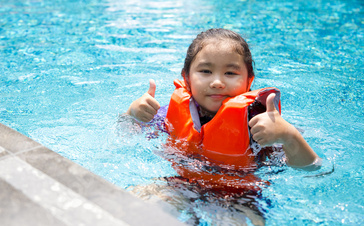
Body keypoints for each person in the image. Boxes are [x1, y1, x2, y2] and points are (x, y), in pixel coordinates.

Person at [125, 28, 322, 225]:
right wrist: (132, 114)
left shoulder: (262, 124)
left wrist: (289, 135)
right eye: (205, 71)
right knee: (140, 206)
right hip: (182, 185)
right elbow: (125, 133)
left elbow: (313, 168)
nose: (217, 82)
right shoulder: (168, 114)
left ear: (249, 81)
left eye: (230, 73)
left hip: (241, 197)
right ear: (187, 78)